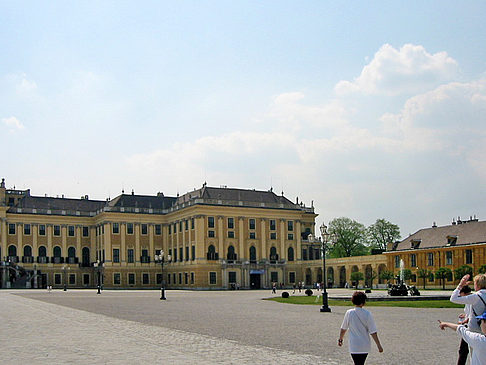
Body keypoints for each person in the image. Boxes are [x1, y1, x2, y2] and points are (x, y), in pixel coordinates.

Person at [338, 291, 383, 364]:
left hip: (354, 345)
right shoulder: (367, 314)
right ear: (363, 302)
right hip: (364, 345)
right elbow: (373, 331)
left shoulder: (349, 313)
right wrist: (378, 345)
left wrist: (340, 339)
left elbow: (343, 328)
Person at [457, 285, 473, 365]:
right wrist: (465, 315)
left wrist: (463, 322)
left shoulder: (471, 300)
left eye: (461, 294)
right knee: (464, 350)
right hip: (470, 326)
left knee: (463, 350)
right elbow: (469, 313)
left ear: (463, 293)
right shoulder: (470, 299)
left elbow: (472, 315)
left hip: (470, 327)